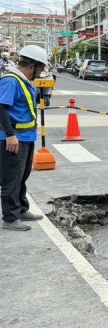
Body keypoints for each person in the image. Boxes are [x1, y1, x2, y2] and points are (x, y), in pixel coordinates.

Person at [0, 45, 47, 231]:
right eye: (40, 69)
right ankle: (10, 218)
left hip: (26, 137)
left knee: (22, 176)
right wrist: (10, 135)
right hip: (13, 138)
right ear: (32, 65)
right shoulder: (10, 81)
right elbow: (1, 108)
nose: (41, 73)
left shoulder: (24, 80)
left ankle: (21, 209)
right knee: (11, 178)